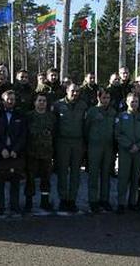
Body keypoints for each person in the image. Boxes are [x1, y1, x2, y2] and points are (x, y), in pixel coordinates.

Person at [0, 90, 27, 215]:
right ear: (3, 100)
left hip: (15, 153)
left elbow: (24, 134)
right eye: (8, 99)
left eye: (13, 99)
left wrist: (15, 150)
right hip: (0, 152)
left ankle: (15, 206)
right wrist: (2, 149)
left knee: (15, 180)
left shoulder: (20, 115)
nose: (10, 101)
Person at [53, 83, 88, 212]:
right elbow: (54, 125)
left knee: (75, 173)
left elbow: (85, 125)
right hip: (63, 142)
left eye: (77, 91)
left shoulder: (83, 105)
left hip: (78, 142)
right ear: (67, 91)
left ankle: (72, 199)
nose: (75, 94)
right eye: (73, 91)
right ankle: (63, 199)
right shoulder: (58, 105)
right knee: (62, 172)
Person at [115, 93, 140, 213]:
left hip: (138, 152)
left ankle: (132, 202)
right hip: (125, 151)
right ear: (127, 102)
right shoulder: (121, 116)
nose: (134, 104)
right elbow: (118, 134)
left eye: (136, 102)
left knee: (135, 177)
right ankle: (121, 203)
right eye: (132, 101)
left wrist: (138, 146)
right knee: (123, 178)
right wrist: (129, 145)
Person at [85, 88, 117, 213]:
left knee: (106, 174)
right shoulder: (92, 111)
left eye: (108, 98)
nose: (106, 100)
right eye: (104, 98)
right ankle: (93, 200)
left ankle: (105, 199)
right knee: (94, 174)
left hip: (108, 147)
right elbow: (86, 128)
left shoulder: (113, 112)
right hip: (94, 147)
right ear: (98, 98)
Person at [24, 93, 56, 212]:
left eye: (44, 101)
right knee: (30, 178)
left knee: (46, 178)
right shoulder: (29, 116)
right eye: (39, 100)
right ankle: (29, 202)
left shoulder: (51, 117)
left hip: (47, 153)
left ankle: (45, 201)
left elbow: (55, 133)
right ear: (35, 102)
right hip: (31, 152)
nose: (42, 103)